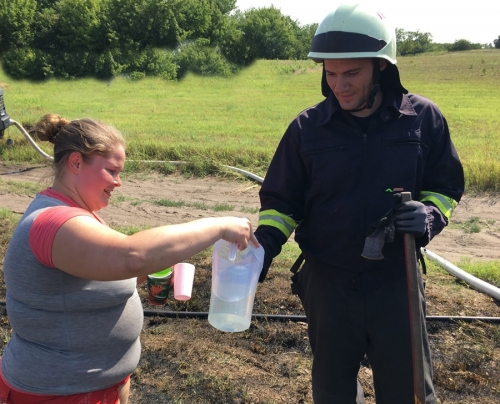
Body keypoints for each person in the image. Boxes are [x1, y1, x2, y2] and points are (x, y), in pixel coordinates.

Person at [254, 3, 464, 404]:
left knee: (409, 392)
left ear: (382, 67)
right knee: (332, 393)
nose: (340, 85)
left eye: (351, 73)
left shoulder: (422, 119)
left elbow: (446, 186)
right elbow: (281, 202)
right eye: (330, 73)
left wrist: (430, 215)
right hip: (328, 285)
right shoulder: (307, 129)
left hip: (396, 282)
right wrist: (263, 246)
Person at [0, 113, 259, 404]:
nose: (118, 182)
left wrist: (159, 263)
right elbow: (132, 256)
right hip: (60, 391)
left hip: (96, 385)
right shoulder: (53, 222)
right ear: (76, 163)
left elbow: (107, 275)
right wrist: (219, 226)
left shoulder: (80, 215)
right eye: (111, 171)